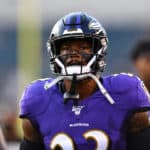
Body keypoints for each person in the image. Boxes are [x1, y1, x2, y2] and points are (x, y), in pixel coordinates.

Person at [19, 12, 150, 150]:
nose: (74, 54)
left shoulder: (126, 91)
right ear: (55, 52)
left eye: (83, 48)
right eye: (66, 48)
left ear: (99, 50)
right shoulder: (37, 98)